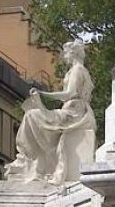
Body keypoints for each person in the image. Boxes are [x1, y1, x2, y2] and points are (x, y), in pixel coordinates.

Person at [5, 39, 95, 185]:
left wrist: (43, 94)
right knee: (32, 115)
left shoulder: (78, 70)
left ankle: (31, 160)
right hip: (70, 110)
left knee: (31, 116)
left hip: (73, 113)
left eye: (66, 53)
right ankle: (33, 161)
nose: (64, 56)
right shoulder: (75, 70)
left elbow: (69, 93)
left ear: (73, 53)